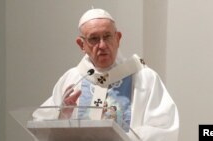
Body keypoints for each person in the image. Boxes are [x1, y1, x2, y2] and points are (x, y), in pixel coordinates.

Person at [33, 8, 179, 141]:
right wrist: (62, 117)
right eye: (94, 39)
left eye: (107, 36)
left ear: (118, 38)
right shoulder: (72, 79)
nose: (102, 45)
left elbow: (164, 128)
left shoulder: (144, 79)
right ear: (81, 44)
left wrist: (121, 137)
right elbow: (39, 123)